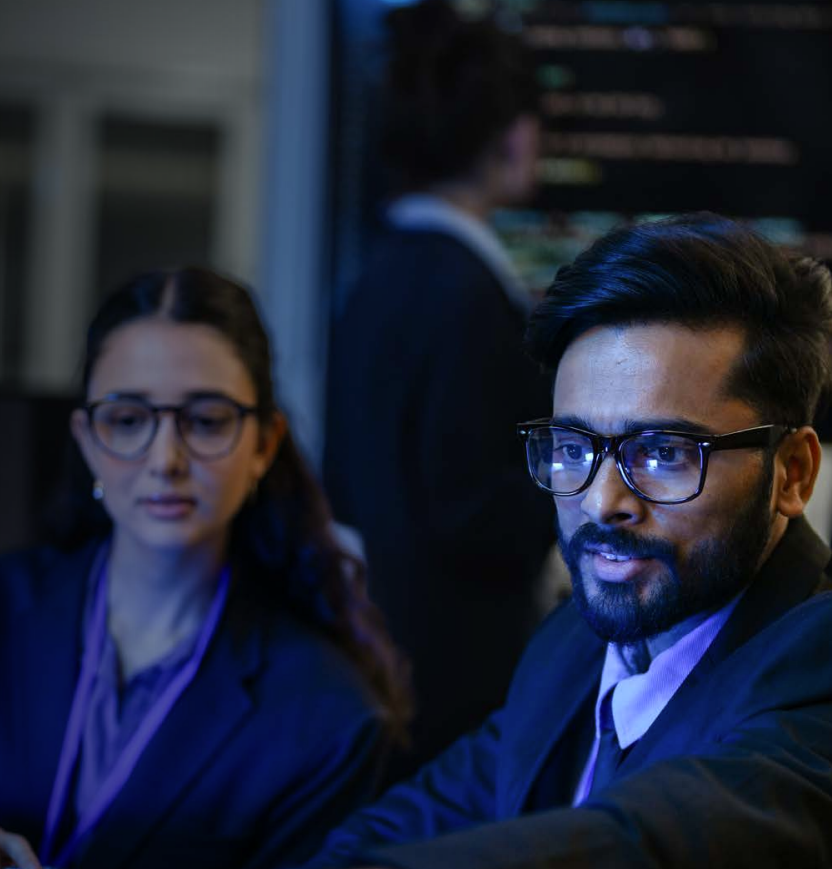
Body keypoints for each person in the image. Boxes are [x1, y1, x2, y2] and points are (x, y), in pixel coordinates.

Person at [306, 213, 832, 868]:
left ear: (791, 473)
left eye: (663, 452)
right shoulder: (573, 644)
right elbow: (409, 823)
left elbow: (647, 842)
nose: (601, 501)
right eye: (573, 447)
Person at [0, 267, 411, 869]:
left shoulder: (328, 721)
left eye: (207, 421)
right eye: (129, 420)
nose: (166, 460)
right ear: (87, 440)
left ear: (264, 446)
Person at [323, 0, 554, 774]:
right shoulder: (464, 291)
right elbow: (469, 506)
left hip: (381, 659)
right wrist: (580, 483)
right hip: (461, 673)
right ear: (513, 132)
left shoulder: (374, 278)